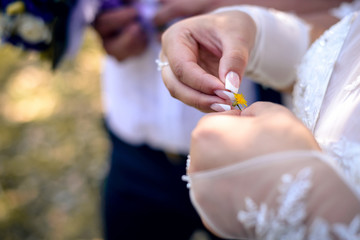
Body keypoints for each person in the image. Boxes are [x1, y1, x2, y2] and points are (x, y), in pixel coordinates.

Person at [92, 0, 354, 239]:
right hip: (133, 146)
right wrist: (252, 27)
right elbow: (345, 35)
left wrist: (295, 200)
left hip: (258, 164)